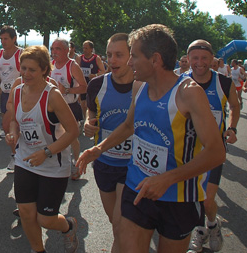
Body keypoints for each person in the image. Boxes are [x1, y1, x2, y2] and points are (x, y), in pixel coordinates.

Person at [76, 24, 225, 253]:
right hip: (137, 187)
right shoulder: (140, 87)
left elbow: (216, 152)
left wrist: (167, 178)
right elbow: (128, 126)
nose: (129, 62)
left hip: (178, 197)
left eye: (133, 56)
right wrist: (98, 149)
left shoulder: (188, 92)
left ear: (155, 59)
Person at [5, 45, 80, 253]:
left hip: (52, 164)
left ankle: (69, 225)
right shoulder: (18, 90)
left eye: (32, 70)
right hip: (25, 160)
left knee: (45, 219)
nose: (26, 74)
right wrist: (13, 133)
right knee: (27, 213)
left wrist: (46, 152)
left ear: (45, 70)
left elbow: (73, 131)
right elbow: (14, 120)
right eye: (23, 68)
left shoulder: (52, 96)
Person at [80, 33, 136, 252]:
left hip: (133, 166)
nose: (112, 60)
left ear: (132, 57)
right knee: (115, 222)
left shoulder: (144, 86)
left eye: (119, 55)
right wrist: (87, 122)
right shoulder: (97, 85)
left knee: (121, 224)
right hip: (104, 163)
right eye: (109, 55)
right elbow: (91, 110)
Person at [185, 40, 240, 253]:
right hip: (186, 150)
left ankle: (212, 224)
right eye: (195, 58)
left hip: (213, 150)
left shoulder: (224, 83)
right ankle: (200, 232)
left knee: (207, 200)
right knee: (191, 198)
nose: (199, 63)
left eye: (204, 58)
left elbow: (235, 105)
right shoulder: (180, 82)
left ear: (212, 60)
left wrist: (233, 127)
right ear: (188, 59)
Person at [50, 39, 87, 180]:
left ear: (67, 50)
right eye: (53, 49)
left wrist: (66, 90)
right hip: (53, 107)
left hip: (70, 106)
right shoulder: (51, 65)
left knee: (71, 138)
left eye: (58, 49)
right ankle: (56, 165)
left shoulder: (72, 65)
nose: (54, 52)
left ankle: (77, 164)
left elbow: (84, 87)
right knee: (53, 136)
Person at [0, 26, 22, 168]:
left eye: (6, 38)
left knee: (10, 125)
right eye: (1, 39)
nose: (3, 41)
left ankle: (16, 156)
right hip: (5, 93)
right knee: (8, 127)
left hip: (19, 94)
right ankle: (18, 154)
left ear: (14, 39)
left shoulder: (21, 53)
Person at [78, 40, 106, 120]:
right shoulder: (80, 58)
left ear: (91, 49)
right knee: (83, 104)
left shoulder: (96, 58)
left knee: (91, 104)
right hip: (83, 84)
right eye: (83, 48)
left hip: (93, 85)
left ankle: (93, 119)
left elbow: (103, 71)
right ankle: (84, 119)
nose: (84, 50)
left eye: (86, 48)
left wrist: (95, 75)